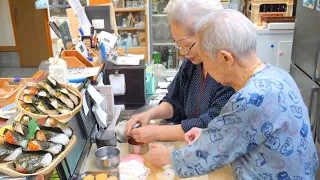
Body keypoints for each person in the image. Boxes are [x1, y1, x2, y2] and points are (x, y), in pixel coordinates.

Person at [148, 9, 319, 179]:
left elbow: (211, 154)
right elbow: (242, 133)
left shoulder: (250, 99)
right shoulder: (279, 75)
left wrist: (168, 158)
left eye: (206, 61)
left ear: (225, 58)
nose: (205, 68)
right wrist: (210, 135)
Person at [125, 0, 235, 143]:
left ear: (210, 34)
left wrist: (159, 133)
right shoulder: (192, 64)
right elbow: (175, 101)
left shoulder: (228, 69)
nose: (184, 52)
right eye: (179, 45)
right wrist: (150, 114)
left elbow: (213, 124)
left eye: (187, 45)